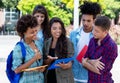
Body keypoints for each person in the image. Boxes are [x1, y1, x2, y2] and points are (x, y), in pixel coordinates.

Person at [69, 1, 101, 83]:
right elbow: (69, 53)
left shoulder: (97, 37)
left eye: (88, 21)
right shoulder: (73, 34)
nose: (85, 23)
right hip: (73, 76)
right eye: (83, 20)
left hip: (89, 77)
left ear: (94, 20)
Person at [82, 16, 118, 83]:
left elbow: (100, 71)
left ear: (105, 32)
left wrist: (85, 63)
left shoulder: (112, 46)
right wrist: (92, 62)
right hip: (90, 81)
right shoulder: (92, 40)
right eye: (93, 29)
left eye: (97, 31)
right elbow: (84, 58)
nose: (93, 32)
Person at [12, 15, 45, 83]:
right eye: (32, 32)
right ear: (24, 32)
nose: (35, 34)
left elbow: (39, 64)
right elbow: (16, 70)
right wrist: (34, 59)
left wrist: (41, 68)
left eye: (36, 31)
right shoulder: (18, 48)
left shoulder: (38, 43)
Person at [43, 17, 74, 83]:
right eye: (54, 28)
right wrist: (49, 60)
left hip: (63, 78)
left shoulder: (68, 42)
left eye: (60, 28)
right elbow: (45, 62)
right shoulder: (47, 42)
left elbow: (71, 60)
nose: (58, 31)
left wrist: (67, 65)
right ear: (50, 29)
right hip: (49, 76)